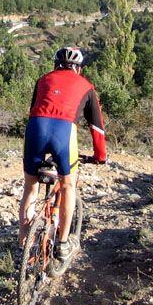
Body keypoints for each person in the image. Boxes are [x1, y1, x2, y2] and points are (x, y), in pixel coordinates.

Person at [19, 46, 107, 265]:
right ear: (78, 68)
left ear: (55, 64)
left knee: (30, 188)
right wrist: (100, 156)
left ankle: (23, 244)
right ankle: (63, 244)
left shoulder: (43, 80)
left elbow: (35, 109)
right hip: (64, 132)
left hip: (35, 128)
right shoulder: (86, 86)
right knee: (68, 186)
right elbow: (97, 128)